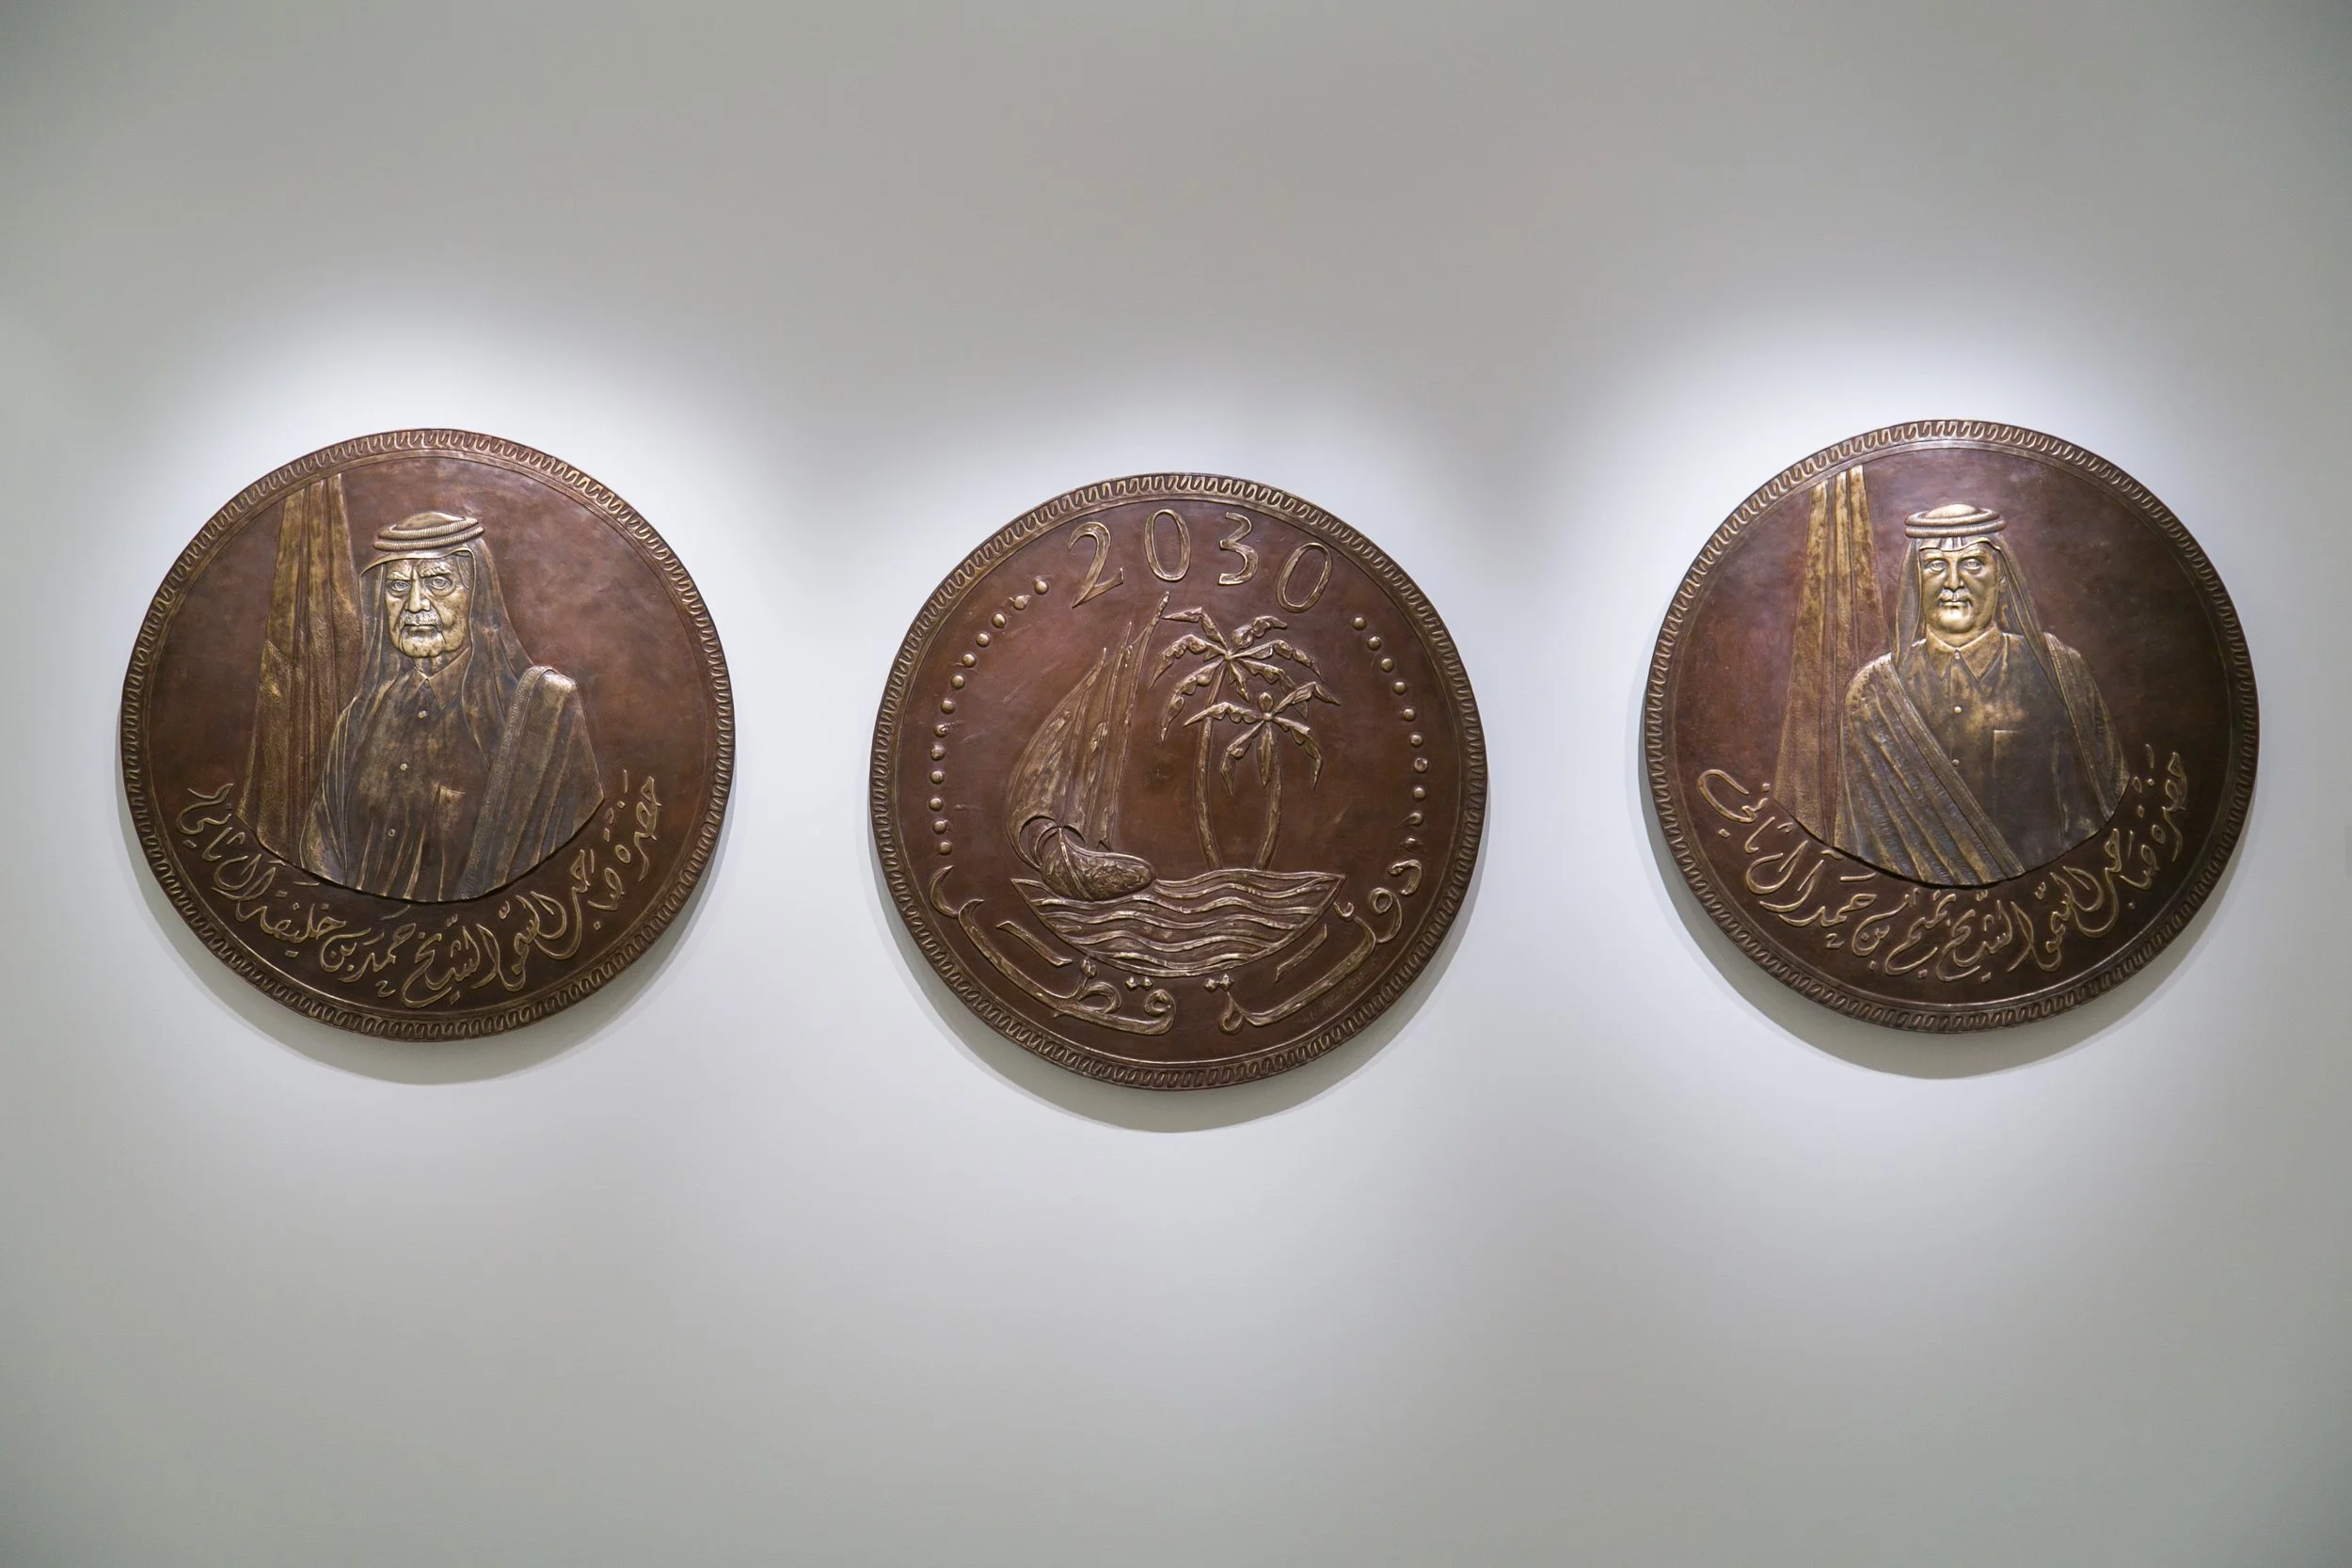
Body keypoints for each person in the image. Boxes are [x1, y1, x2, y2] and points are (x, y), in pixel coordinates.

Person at [300, 511, 601, 901]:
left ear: (477, 596)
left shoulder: (544, 713)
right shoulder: (358, 718)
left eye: (438, 582)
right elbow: (320, 853)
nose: (414, 604)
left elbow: (575, 861)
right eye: (395, 587)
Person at [1834, 502, 2125, 886]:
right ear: (1914, 580)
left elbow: (2100, 819)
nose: (1953, 583)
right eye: (1935, 565)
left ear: (2001, 578)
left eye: (1973, 564)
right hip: (1911, 914)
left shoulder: (2060, 673)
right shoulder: (1873, 693)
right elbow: (1861, 847)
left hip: (2046, 908)